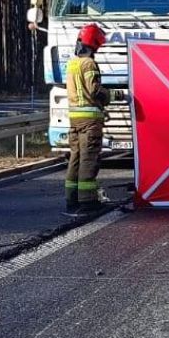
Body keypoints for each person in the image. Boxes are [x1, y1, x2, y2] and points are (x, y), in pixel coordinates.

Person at [65, 23, 110, 215]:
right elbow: (94, 90)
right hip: (90, 120)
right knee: (89, 159)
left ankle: (71, 200)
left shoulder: (72, 63)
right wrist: (111, 96)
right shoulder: (89, 63)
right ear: (95, 44)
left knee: (75, 158)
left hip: (74, 119)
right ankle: (88, 201)